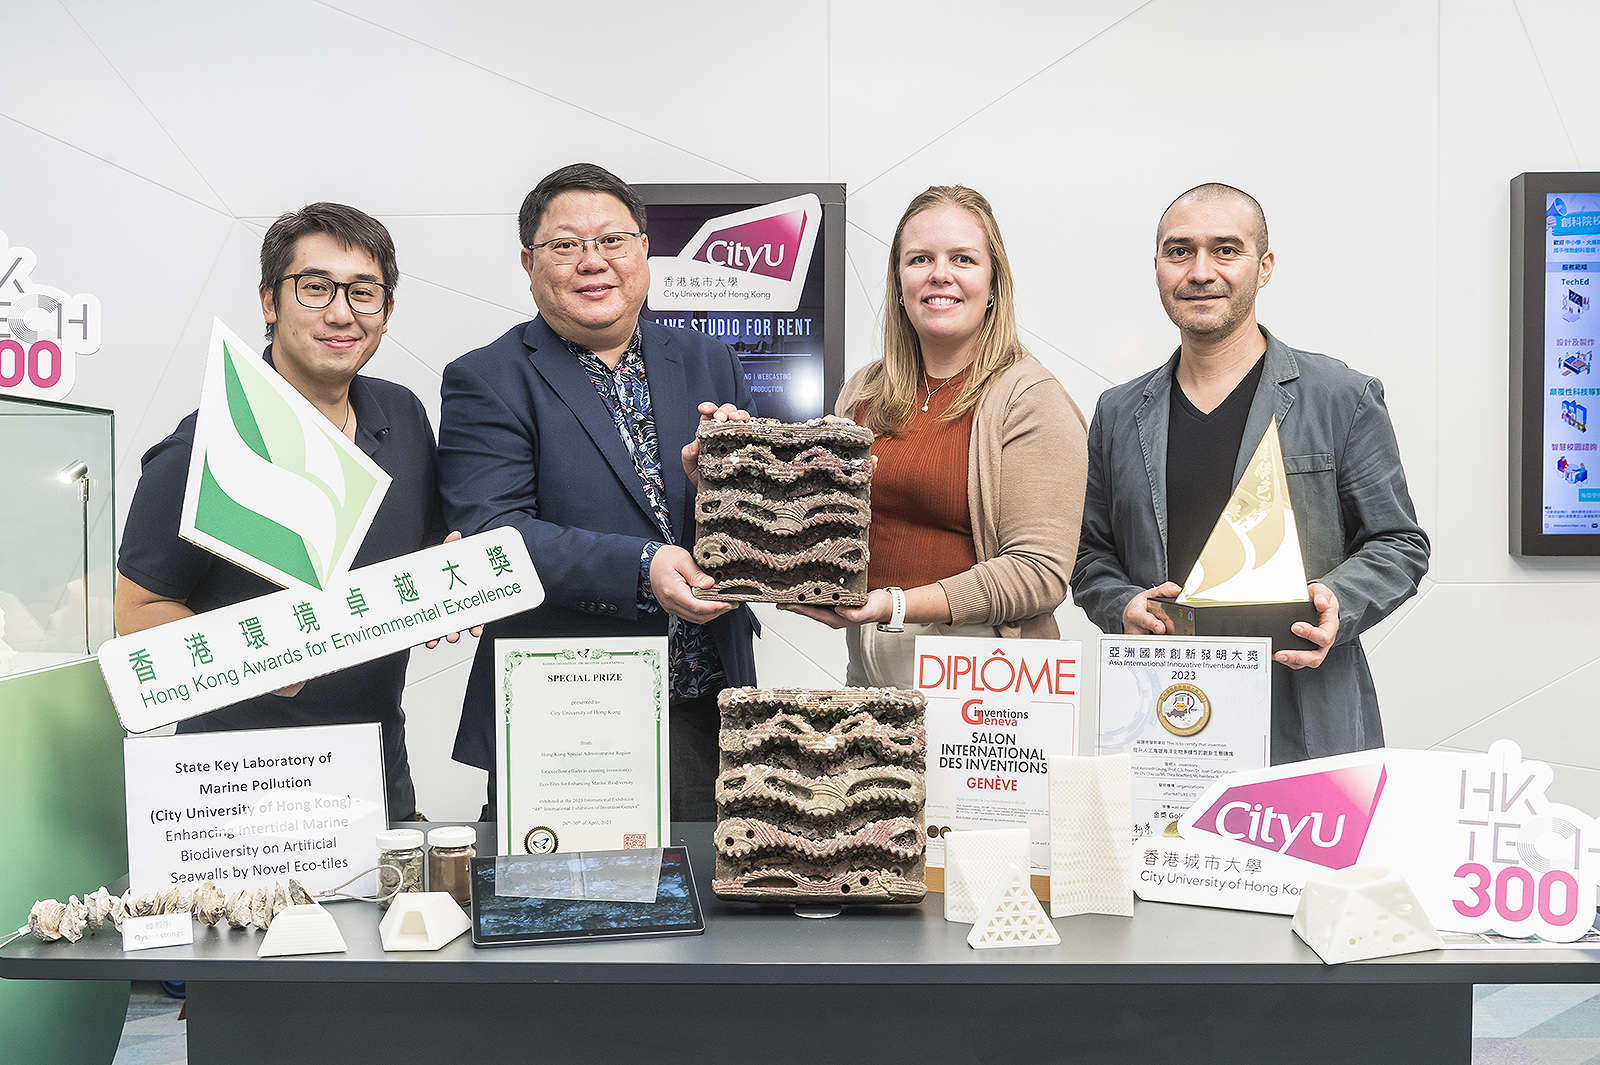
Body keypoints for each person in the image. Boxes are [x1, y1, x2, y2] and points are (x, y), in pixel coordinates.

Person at [438, 162, 757, 822]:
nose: (593, 261)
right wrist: (642, 567)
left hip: (707, 704)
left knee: (715, 886)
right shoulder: (486, 377)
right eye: (565, 245)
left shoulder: (708, 358)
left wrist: (728, 481)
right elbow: (494, 533)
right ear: (528, 262)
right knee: (560, 889)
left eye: (613, 240)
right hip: (566, 712)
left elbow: (749, 521)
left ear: (644, 250)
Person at [1072, 183, 1430, 762]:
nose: (1200, 271)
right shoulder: (1118, 412)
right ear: (1157, 266)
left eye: (1226, 250)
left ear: (1264, 267)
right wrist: (1122, 604)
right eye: (1180, 251)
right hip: (1165, 717)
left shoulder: (1341, 397)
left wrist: (1339, 600)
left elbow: (1399, 543)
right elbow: (1091, 554)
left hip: (1304, 710)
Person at [116, 202, 451, 820]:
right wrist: (258, 661)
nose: (341, 313)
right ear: (269, 302)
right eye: (315, 287)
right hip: (240, 801)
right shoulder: (206, 448)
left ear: (387, 311)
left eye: (363, 292)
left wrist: (447, 580)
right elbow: (134, 613)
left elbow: (421, 547)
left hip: (376, 784)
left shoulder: (402, 416)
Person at [784, 186, 1088, 686]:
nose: (939, 274)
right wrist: (734, 462)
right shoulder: (864, 390)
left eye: (962, 259)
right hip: (868, 666)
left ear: (993, 284)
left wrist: (895, 604)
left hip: (983, 676)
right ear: (899, 282)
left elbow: (1038, 574)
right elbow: (822, 528)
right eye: (920, 259)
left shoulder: (1031, 399)